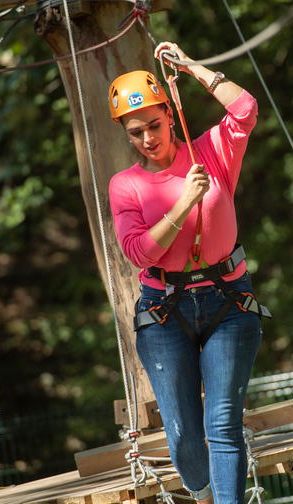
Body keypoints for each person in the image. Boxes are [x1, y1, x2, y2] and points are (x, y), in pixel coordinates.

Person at [107, 42, 269, 504]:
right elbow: (138, 252)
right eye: (136, 132)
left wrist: (193, 68)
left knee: (222, 423)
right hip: (164, 310)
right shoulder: (127, 185)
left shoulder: (211, 154)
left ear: (170, 116)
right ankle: (201, 494)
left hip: (228, 301)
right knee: (182, 434)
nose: (148, 138)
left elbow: (245, 109)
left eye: (154, 125)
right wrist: (183, 204)